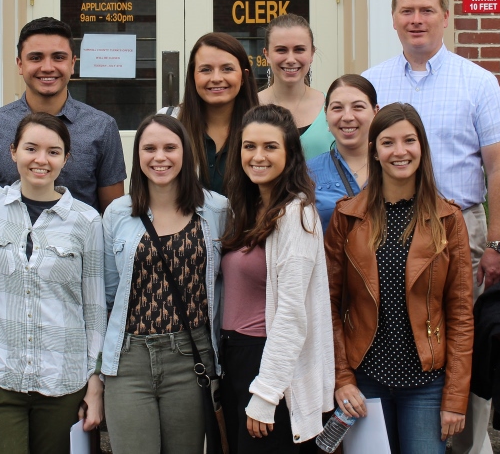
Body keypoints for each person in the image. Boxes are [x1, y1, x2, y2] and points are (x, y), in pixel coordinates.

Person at [363, 0, 500, 454]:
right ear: (393, 20)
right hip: (384, 230)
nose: (416, 20)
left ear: (445, 17)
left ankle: (469, 445)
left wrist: (497, 243)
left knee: (458, 335)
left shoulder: (478, 82)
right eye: (407, 11)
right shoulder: (373, 82)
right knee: (397, 336)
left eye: (426, 10)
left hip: (458, 230)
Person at [325, 103, 474, 454]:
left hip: (426, 383)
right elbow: (328, 305)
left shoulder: (448, 219)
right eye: (388, 142)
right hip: (365, 380)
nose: (400, 151)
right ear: (374, 151)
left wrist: (455, 396)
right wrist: (342, 379)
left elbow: (462, 314)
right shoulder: (347, 218)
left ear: (422, 147)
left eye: (409, 140)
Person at [0, 113, 106, 454]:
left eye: (53, 151)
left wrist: (95, 381)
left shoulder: (86, 220)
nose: (41, 160)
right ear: (13, 152)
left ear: (66, 158)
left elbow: (94, 307)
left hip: (63, 380)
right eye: (31, 148)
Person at [101, 114, 229, 454]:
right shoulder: (117, 213)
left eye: (170, 147)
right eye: (150, 148)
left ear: (185, 153)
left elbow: (225, 286)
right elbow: (108, 296)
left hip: (190, 356)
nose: (160, 157)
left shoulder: (216, 209)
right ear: (137, 155)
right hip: (129, 359)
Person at [219, 104, 333, 452]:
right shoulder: (245, 208)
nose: (258, 156)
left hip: (268, 363)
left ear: (290, 154)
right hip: (235, 358)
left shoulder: (297, 214)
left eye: (270, 147)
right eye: (249, 146)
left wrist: (267, 393)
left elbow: (292, 314)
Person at [0, 16, 126, 212]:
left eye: (59, 57)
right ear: (20, 64)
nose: (48, 67)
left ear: (72, 63)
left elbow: (113, 215)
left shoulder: (101, 128)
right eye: (36, 57)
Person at [171, 32, 259, 196]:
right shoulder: (170, 122)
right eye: (206, 70)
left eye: (227, 69)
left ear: (243, 77)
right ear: (192, 76)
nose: (216, 78)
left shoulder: (266, 127)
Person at [307, 75, 379, 230]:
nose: (347, 117)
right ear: (326, 114)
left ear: (375, 112)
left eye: (358, 107)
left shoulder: (394, 166)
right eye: (337, 108)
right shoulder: (307, 172)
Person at [257, 13, 333, 160]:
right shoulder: (248, 106)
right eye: (281, 50)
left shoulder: (332, 108)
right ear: (266, 54)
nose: (291, 59)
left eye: (299, 50)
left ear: (312, 53)